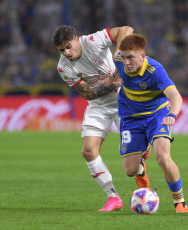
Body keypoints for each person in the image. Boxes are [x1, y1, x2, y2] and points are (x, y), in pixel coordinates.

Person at [51, 25, 135, 212]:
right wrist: (112, 84)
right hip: (99, 105)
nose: (66, 52)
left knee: (133, 162)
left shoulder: (93, 41)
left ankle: (141, 175)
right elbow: (88, 94)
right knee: (88, 151)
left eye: (68, 47)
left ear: (76, 39)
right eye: (61, 50)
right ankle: (113, 197)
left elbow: (126, 29)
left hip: (125, 100)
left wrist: (118, 54)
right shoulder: (63, 67)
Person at [114, 34, 188, 213]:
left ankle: (179, 202)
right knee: (130, 170)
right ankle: (141, 165)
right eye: (124, 57)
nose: (126, 62)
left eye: (130, 57)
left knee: (163, 158)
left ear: (142, 56)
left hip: (157, 116)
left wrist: (172, 114)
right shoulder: (118, 59)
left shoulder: (155, 70)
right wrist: (113, 80)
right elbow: (116, 57)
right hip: (130, 118)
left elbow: (176, 96)